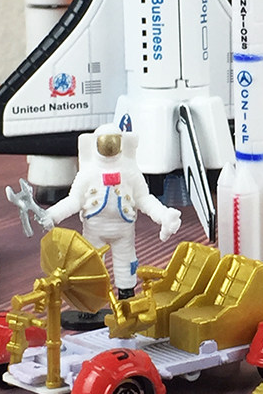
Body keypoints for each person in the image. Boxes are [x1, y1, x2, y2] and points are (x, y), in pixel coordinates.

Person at [44, 124, 182, 299]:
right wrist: (53, 215)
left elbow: (144, 199)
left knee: (126, 263)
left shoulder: (130, 172)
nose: (109, 147)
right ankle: (91, 301)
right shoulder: (88, 173)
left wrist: (163, 215)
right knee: (91, 267)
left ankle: (126, 296)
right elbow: (74, 200)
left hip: (123, 231)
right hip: (94, 230)